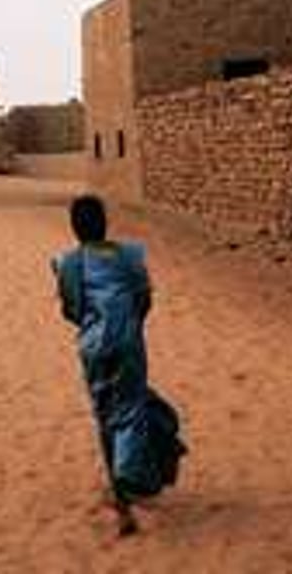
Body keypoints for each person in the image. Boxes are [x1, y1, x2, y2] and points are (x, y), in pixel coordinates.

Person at [51, 194, 186, 536]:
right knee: (131, 406)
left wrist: (95, 325)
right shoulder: (130, 255)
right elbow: (144, 299)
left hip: (95, 350)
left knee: (106, 414)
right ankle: (132, 481)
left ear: (75, 228)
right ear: (104, 223)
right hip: (129, 345)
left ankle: (123, 491)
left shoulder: (69, 262)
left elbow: (71, 309)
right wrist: (127, 324)